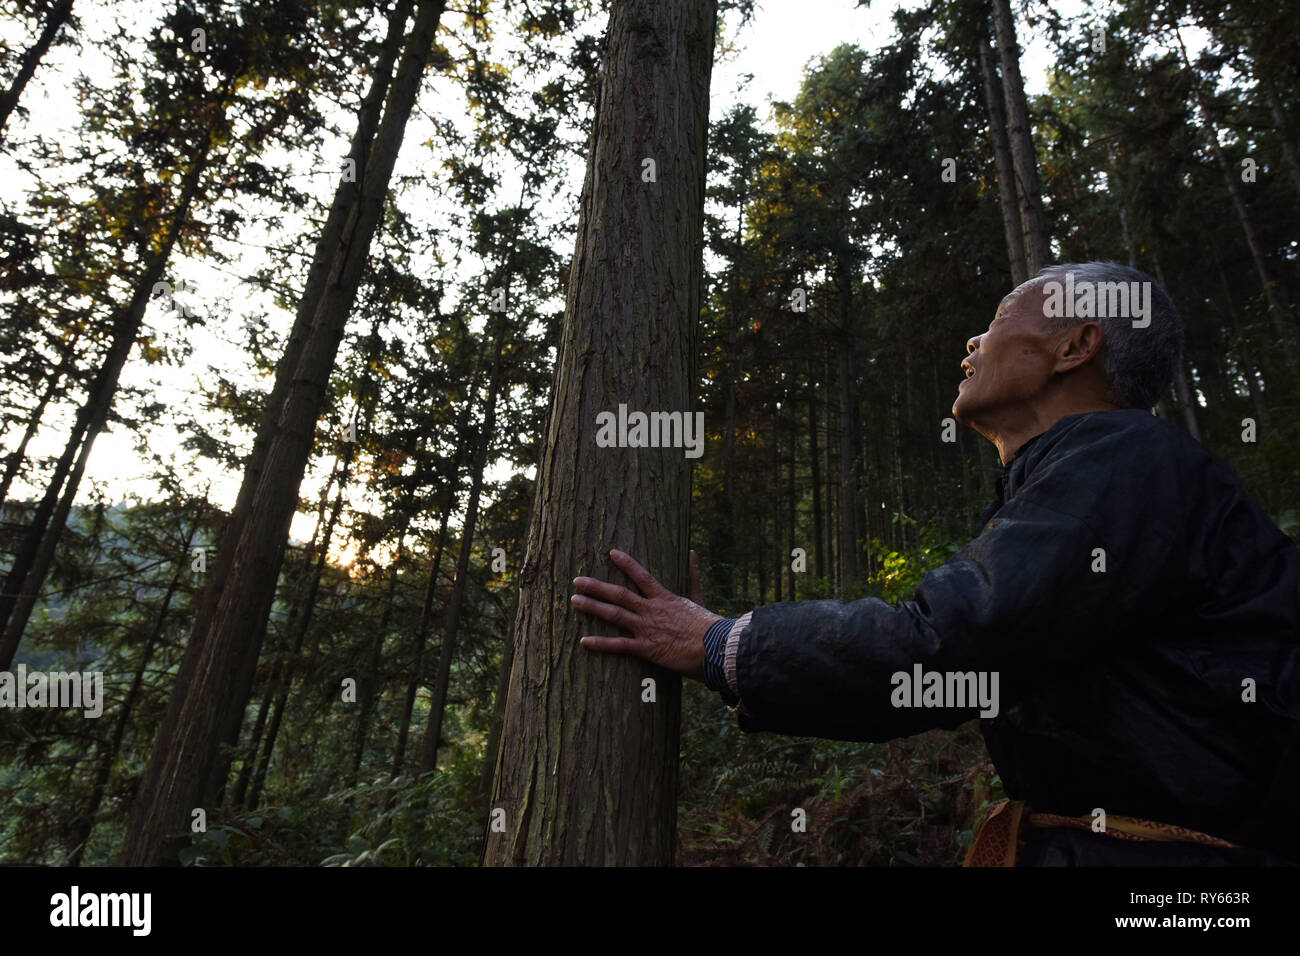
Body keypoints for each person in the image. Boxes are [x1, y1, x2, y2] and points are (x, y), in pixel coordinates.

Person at [571, 261, 1300, 866]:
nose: (971, 344)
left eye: (999, 318)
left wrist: (718, 642)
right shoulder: (1099, 479)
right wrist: (713, 642)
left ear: (1077, 346)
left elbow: (946, 645)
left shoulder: (1127, 462)